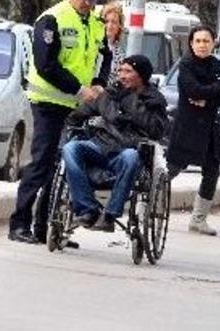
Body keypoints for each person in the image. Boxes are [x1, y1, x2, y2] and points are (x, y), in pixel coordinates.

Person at [8, 0, 112, 245]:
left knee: (63, 167)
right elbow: (46, 65)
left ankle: (46, 227)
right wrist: (79, 89)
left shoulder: (95, 23)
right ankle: (19, 224)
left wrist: (100, 82)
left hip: (79, 106)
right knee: (41, 163)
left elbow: (104, 55)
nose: (88, 3)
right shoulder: (52, 19)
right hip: (49, 103)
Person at [61, 54, 169, 231]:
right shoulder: (109, 95)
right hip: (100, 145)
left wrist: (129, 100)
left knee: (131, 156)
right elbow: (77, 116)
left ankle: (110, 215)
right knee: (70, 149)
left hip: (128, 150)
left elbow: (156, 130)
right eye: (121, 70)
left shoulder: (154, 99)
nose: (122, 75)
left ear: (141, 75)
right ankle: (87, 209)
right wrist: (69, 129)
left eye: (128, 71)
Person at [167, 24, 220, 236]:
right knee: (172, 169)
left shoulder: (215, 64)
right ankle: (146, 203)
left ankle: (198, 219)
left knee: (212, 171)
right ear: (191, 43)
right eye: (198, 41)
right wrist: (215, 90)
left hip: (209, 126)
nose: (202, 45)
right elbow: (192, 89)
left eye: (206, 41)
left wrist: (208, 99)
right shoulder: (186, 64)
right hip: (187, 126)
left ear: (213, 43)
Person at [99, 1, 125, 85]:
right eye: (106, 21)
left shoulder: (120, 53)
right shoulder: (93, 45)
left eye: (114, 22)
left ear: (119, 26)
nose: (109, 26)